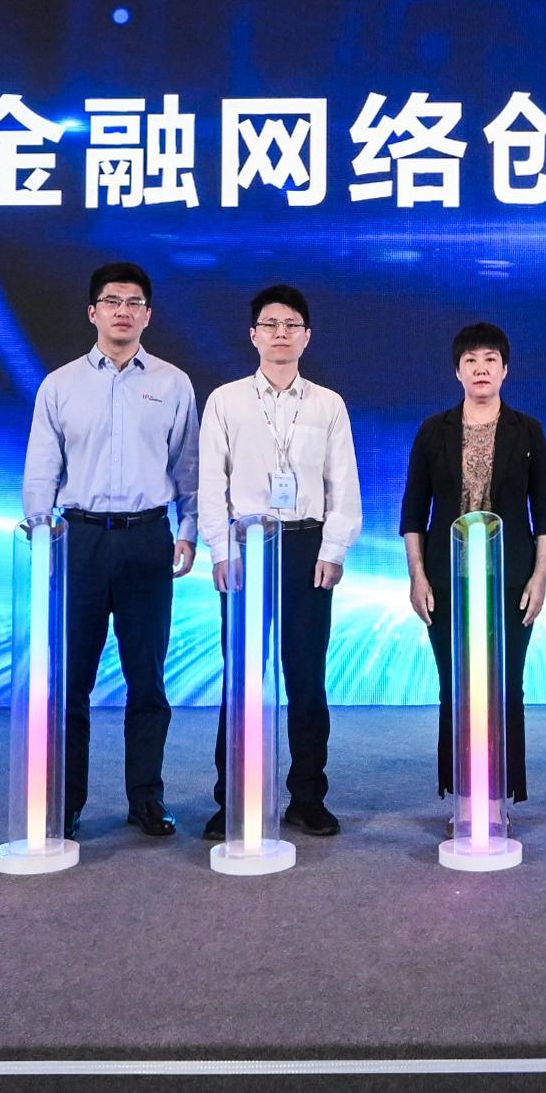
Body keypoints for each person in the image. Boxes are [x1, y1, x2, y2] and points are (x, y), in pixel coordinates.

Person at [19, 261, 199, 838]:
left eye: (134, 303)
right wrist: (40, 531)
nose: (124, 311)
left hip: (148, 539)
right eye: (113, 302)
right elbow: (42, 467)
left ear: (148, 315)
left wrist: (190, 530)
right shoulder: (60, 385)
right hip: (80, 541)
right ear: (92, 312)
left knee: (148, 681)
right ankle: (66, 801)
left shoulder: (172, 383)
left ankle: (146, 798)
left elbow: (188, 467)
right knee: (72, 681)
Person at [199, 282, 358, 839]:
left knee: (307, 678)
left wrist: (334, 549)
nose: (281, 333)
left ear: (307, 336)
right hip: (246, 546)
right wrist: (220, 550)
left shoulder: (328, 404)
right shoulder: (225, 401)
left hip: (307, 548)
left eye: (291, 325)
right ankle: (233, 798)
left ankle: (307, 797)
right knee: (242, 677)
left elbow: (343, 484)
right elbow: (209, 484)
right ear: (253, 335)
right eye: (270, 324)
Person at [403, 321, 546, 813]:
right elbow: (413, 513)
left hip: (510, 579)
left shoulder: (528, 431)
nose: (481, 368)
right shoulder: (433, 431)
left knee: (506, 685)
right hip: (446, 579)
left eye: (490, 359)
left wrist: (540, 577)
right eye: (470, 360)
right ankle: (464, 798)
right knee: (456, 685)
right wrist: (417, 575)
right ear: (457, 371)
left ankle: (498, 799)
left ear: (505, 369)